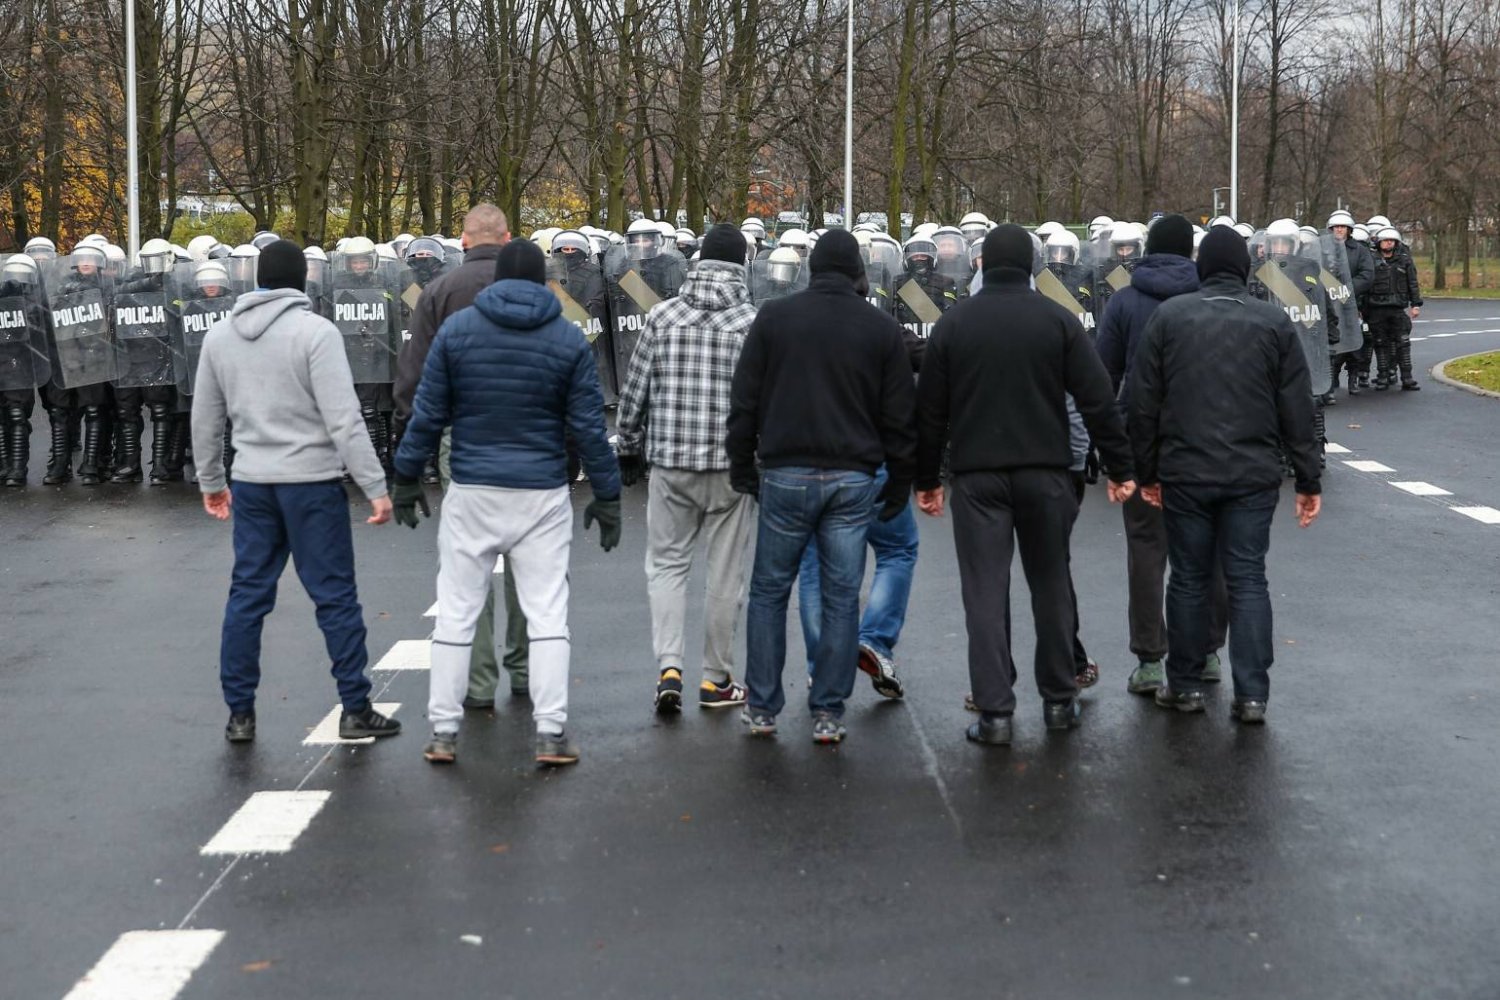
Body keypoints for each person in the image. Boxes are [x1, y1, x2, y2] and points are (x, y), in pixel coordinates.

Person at [391, 239, 621, 767]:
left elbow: (428, 411)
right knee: (547, 615)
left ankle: (444, 732)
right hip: (540, 493)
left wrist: (406, 474)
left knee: (457, 614)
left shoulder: (457, 331)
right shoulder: (566, 338)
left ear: (495, 282)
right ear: (544, 282)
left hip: (472, 487)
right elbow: (587, 424)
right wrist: (606, 493)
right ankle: (550, 731)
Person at [915, 224, 1135, 747]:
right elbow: (1097, 398)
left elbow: (929, 413)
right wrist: (1122, 468)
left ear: (982, 264)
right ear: (1033, 267)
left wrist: (925, 478)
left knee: (985, 591)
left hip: (978, 475)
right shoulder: (1058, 321)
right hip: (1046, 472)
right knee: (1052, 583)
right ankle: (1059, 700)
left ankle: (995, 711)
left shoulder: (955, 323)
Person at [191, 240, 400, 744]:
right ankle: (354, 708)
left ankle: (239, 713)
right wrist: (374, 485)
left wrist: (212, 482)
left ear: (256, 280)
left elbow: (205, 417)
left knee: (247, 597)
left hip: (253, 483)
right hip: (311, 484)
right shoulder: (316, 333)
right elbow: (344, 417)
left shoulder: (220, 337)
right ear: (303, 281)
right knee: (334, 598)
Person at [727, 229, 917, 745]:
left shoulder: (775, 318)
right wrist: (901, 480)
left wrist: (741, 464)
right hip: (854, 476)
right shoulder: (880, 328)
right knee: (841, 596)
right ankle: (828, 712)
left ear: (812, 270)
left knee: (769, 592)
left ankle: (763, 707)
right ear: (858, 272)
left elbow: (745, 399)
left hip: (785, 471)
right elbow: (900, 416)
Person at [1127, 226, 1322, 724]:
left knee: (1189, 578)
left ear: (1202, 268)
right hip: (1252, 473)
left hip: (1186, 471)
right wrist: (1307, 478)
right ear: (1244, 268)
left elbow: (1144, 402)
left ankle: (1185, 684)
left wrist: (1145, 470)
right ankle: (1252, 694)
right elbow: (1296, 406)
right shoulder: (1272, 322)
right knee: (1247, 578)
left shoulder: (1171, 318)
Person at [392, 203, 531, 710]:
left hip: (461, 435)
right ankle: (525, 669)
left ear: (464, 240)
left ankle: (477, 682)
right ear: (509, 237)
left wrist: (411, 451)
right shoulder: (537, 287)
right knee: (526, 558)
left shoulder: (439, 291)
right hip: (526, 433)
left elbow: (415, 375)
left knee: (470, 560)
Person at [615, 225, 759, 714]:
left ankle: (669, 667)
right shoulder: (750, 322)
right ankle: (716, 678)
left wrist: (628, 445)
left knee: (668, 567)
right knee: (725, 575)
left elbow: (635, 388)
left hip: (671, 460)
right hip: (729, 466)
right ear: (743, 266)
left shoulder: (662, 316)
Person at [1094, 214, 1230, 695]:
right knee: (1206, 548)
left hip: (1142, 438)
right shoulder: (1209, 300)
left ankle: (1150, 659)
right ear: (1191, 251)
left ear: (1148, 248)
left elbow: (1103, 373)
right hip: (1204, 439)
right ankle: (1209, 651)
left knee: (1147, 550)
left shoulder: (1125, 302)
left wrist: (1106, 443)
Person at [1366, 226, 1422, 391]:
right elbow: (1365, 283)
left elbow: (1413, 283)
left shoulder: (1404, 260)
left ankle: (1407, 378)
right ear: (1379, 242)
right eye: (1385, 240)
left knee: (1403, 343)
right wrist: (1361, 307)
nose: (1388, 243)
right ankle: (1383, 377)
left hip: (1397, 309)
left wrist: (1416, 304)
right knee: (1380, 343)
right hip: (1376, 308)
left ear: (1396, 242)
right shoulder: (1370, 260)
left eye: (1391, 240)